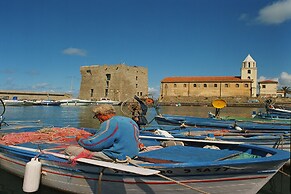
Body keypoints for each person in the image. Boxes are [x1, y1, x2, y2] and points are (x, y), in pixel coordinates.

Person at [67, 104, 140, 162]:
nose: (99, 120)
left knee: (69, 150)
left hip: (117, 156)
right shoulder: (130, 121)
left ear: (101, 114)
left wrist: (80, 139)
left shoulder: (109, 123)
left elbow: (93, 145)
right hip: (132, 154)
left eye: (97, 117)